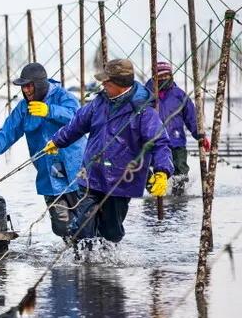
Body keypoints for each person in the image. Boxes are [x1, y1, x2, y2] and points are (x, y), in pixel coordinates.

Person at [43, 59, 173, 245]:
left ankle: (106, 260)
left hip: (121, 180)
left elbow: (160, 143)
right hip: (92, 174)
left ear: (121, 84)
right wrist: (57, 140)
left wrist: (162, 171)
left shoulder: (144, 112)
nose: (103, 85)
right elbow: (77, 124)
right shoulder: (98, 103)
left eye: (107, 82)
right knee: (82, 228)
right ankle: (83, 262)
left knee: (111, 232)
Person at [0, 62, 86, 239]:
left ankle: (90, 259)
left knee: (86, 221)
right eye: (23, 87)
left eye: (29, 85)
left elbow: (80, 118)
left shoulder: (63, 97)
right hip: (49, 175)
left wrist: (50, 111)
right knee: (61, 226)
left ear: (39, 84)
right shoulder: (23, 108)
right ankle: (77, 256)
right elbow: (6, 134)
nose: (25, 90)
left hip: (76, 171)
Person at [145, 61, 210, 192]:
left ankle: (178, 202)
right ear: (154, 78)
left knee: (180, 175)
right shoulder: (146, 94)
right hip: (153, 143)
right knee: (152, 176)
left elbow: (191, 118)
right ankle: (154, 204)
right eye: (160, 77)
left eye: (166, 75)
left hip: (176, 141)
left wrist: (200, 135)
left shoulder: (179, 95)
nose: (164, 79)